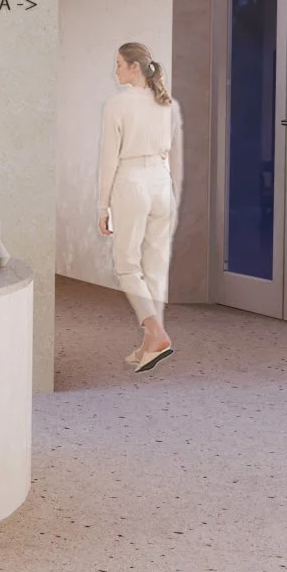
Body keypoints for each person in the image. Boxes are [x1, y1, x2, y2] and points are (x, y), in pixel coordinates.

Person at [98, 41, 183, 372]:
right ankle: (151, 342)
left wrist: (102, 206)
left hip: (132, 183)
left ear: (135, 67)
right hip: (163, 186)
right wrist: (173, 193)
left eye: (119, 63)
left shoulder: (116, 104)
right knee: (155, 267)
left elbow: (108, 160)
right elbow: (174, 157)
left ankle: (157, 333)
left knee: (127, 267)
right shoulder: (168, 104)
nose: (115, 70)